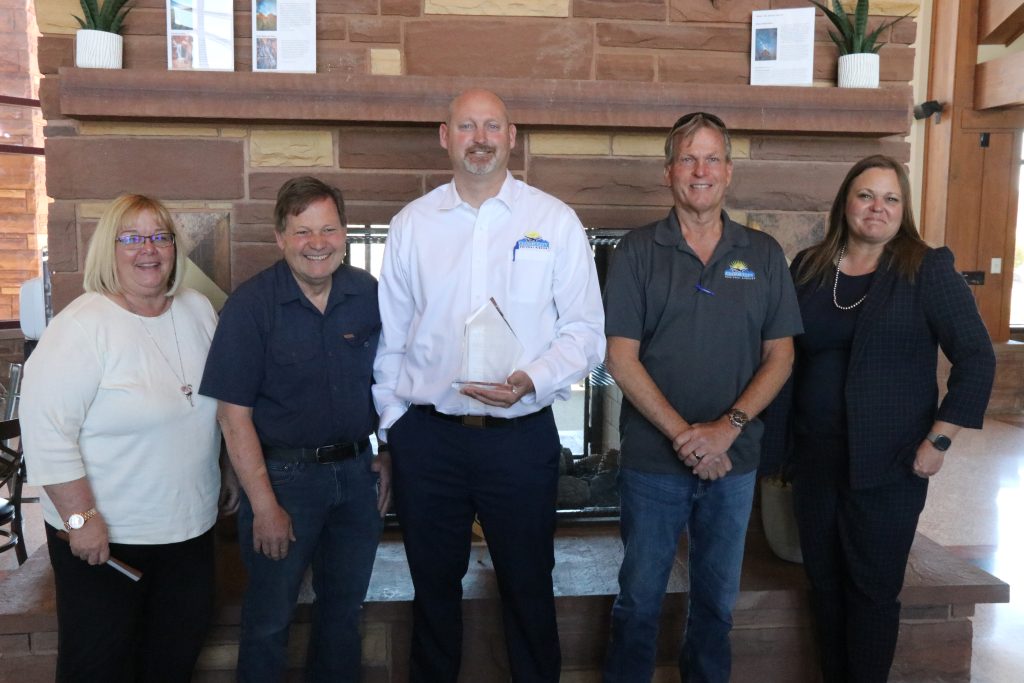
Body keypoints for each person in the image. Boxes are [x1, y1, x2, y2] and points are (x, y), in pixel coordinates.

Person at [373, 88, 605, 683]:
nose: (481, 138)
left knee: (530, 587)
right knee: (432, 592)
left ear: (512, 135)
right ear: (444, 136)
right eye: (467, 126)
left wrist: (531, 380)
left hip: (519, 439)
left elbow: (585, 334)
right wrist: (395, 426)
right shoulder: (411, 225)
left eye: (492, 126)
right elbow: (390, 342)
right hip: (430, 441)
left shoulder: (552, 221)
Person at [601, 112, 803, 683]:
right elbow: (620, 357)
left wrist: (726, 430)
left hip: (733, 464)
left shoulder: (762, 254)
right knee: (638, 601)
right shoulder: (636, 251)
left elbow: (781, 357)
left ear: (729, 173)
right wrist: (687, 438)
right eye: (688, 158)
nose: (700, 170)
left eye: (712, 158)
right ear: (668, 172)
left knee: (716, 604)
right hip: (651, 463)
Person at [780, 155, 995, 681]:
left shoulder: (926, 269)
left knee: (871, 590)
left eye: (890, 198)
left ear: (903, 210)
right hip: (816, 459)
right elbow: (785, 360)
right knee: (824, 585)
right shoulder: (808, 268)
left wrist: (939, 442)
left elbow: (977, 357)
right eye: (866, 195)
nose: (877, 207)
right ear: (845, 203)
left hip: (892, 462)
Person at [20, 194, 234, 682]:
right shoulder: (81, 325)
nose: (149, 250)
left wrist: (225, 472)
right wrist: (81, 518)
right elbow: (46, 434)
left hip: (189, 531)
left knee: (173, 658)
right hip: (107, 540)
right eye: (132, 238)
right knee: (98, 666)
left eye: (160, 236)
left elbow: (211, 405)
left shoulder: (198, 309)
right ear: (108, 249)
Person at [198, 176, 390, 682]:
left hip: (354, 478)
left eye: (328, 229)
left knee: (344, 614)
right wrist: (264, 505)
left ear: (345, 233)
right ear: (280, 237)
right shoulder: (250, 307)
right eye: (303, 232)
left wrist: (386, 451)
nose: (317, 243)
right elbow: (231, 414)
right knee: (267, 621)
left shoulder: (369, 295)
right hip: (282, 479)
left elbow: (394, 381)